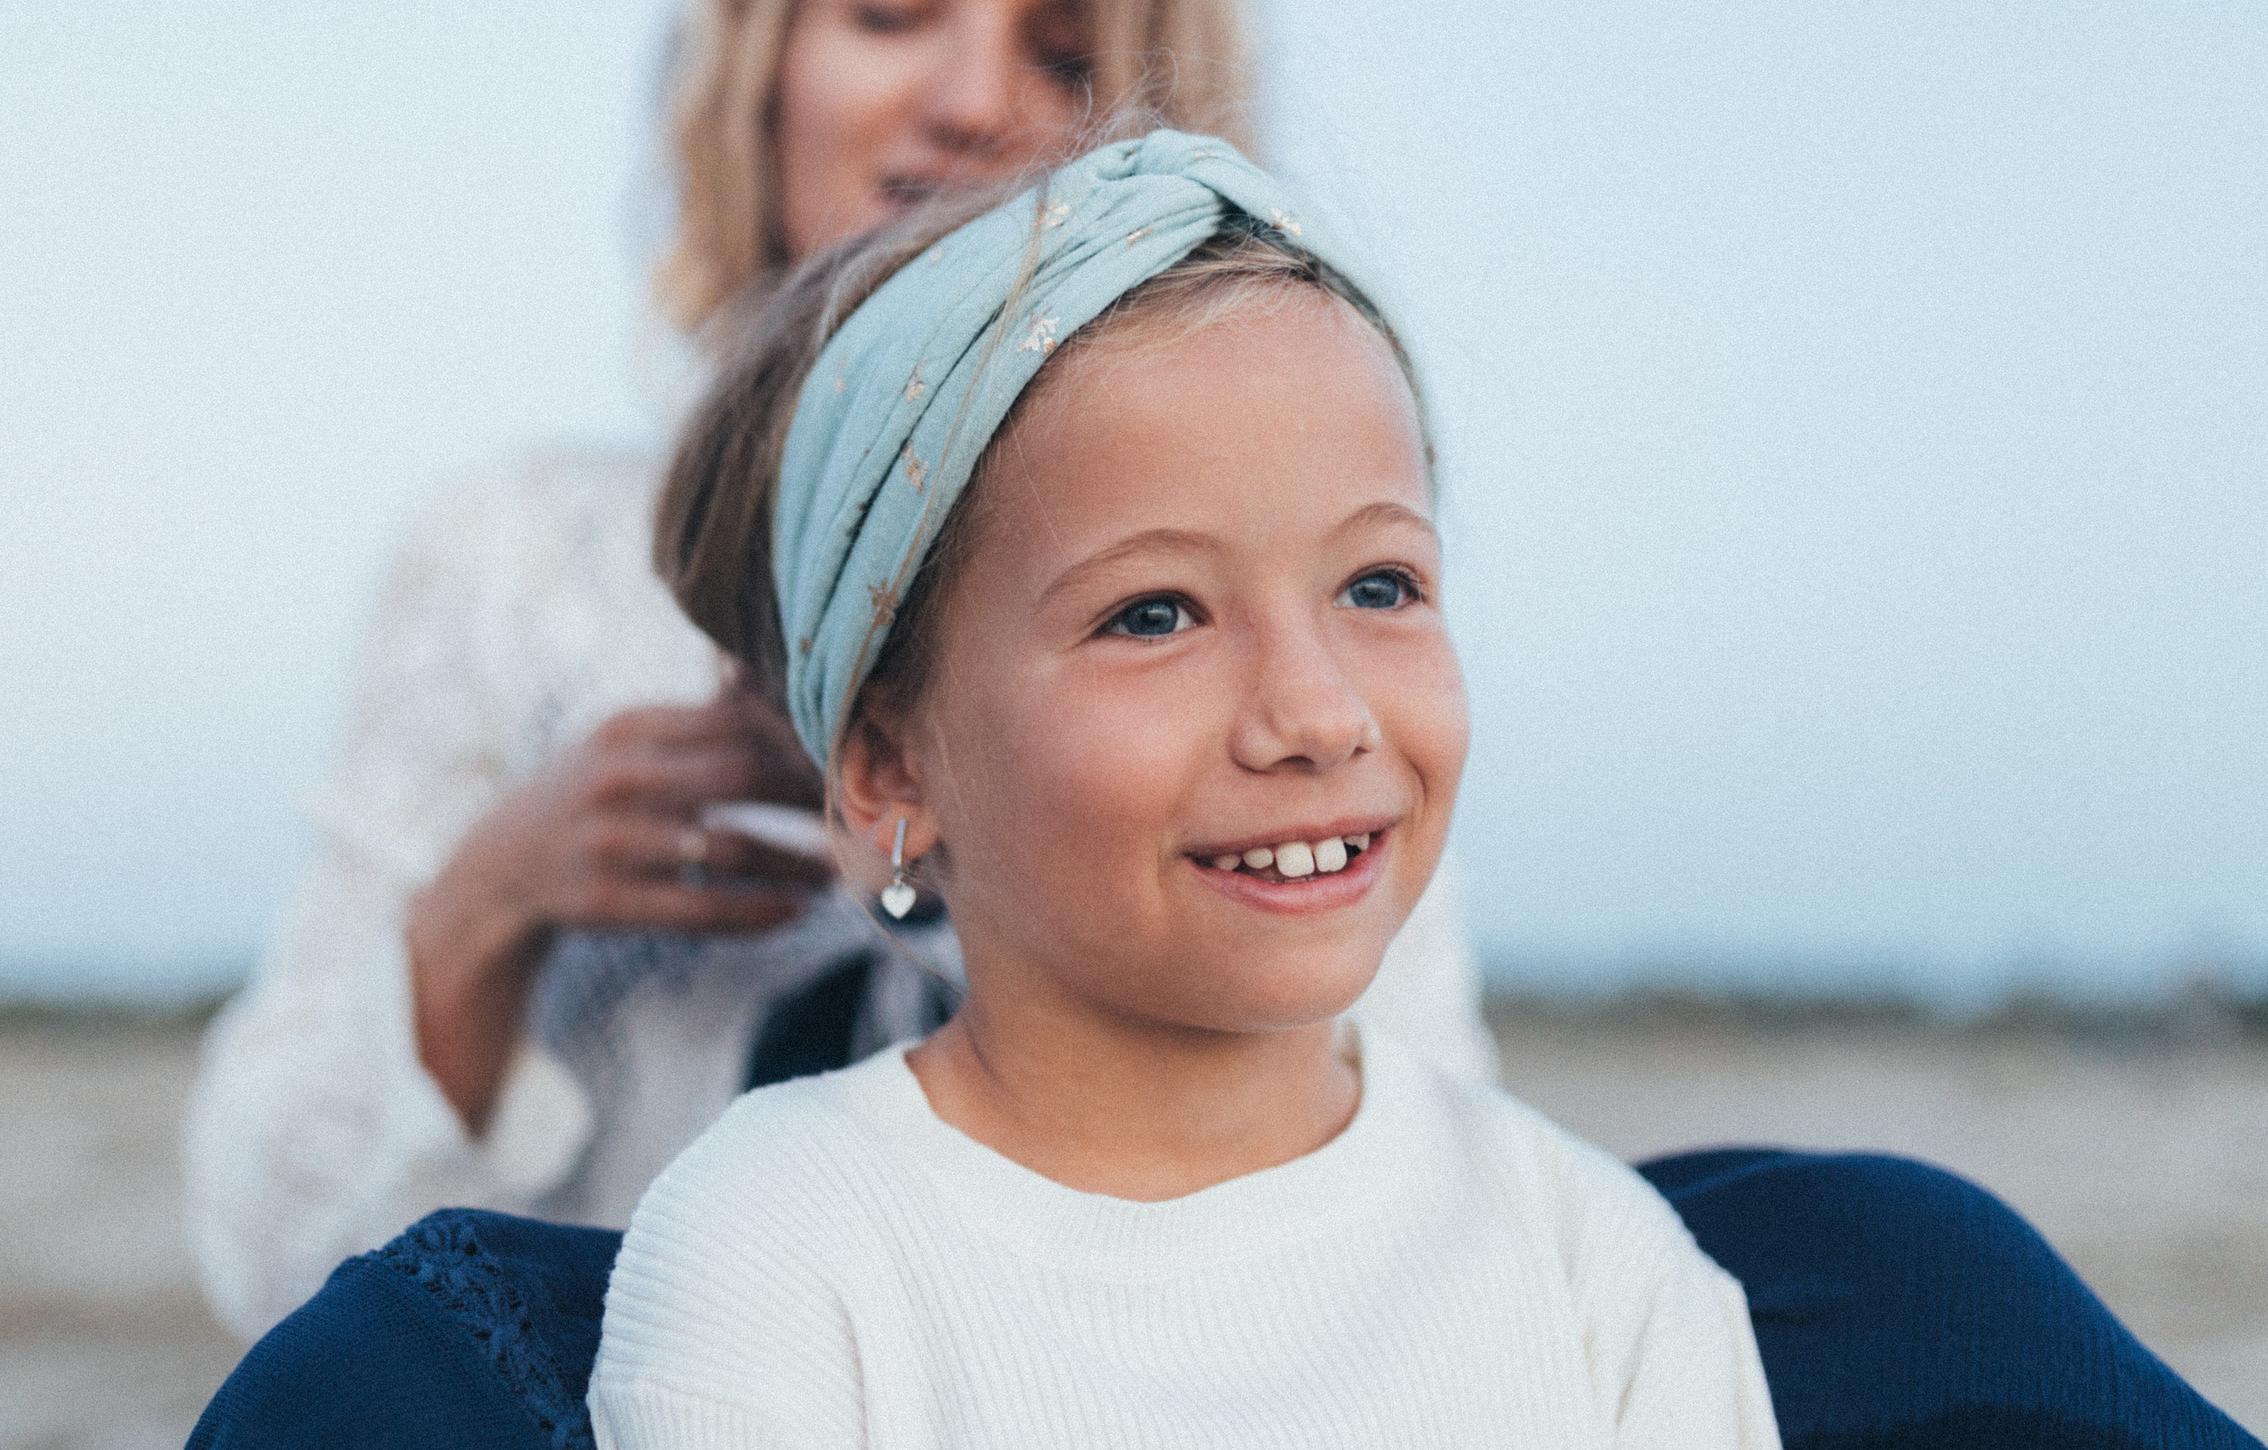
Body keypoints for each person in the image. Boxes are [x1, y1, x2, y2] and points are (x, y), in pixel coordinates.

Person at [185, 138, 2261, 1450]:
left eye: (1377, 581)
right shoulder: (783, 1244)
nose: (1311, 705)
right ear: (887, 769)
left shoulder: (1592, 1266)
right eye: (1156, 613)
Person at [183, 0, 1497, 1343]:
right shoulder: (510, 564)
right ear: (764, 59)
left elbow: (1412, 1168)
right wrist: (491, 904)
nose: (966, 98)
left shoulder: (1276, 636)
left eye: (1063, 46)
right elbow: (268, 1279)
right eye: (893, 13)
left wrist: (1053, 828)